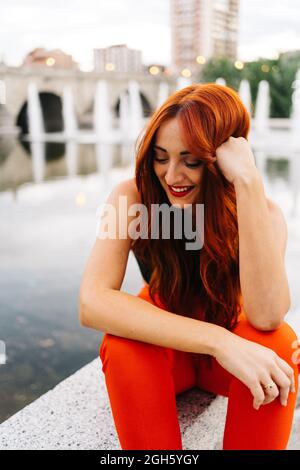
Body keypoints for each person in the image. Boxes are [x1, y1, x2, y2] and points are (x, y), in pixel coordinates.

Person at [79, 83, 299, 450]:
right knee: (122, 347)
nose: (171, 176)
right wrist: (217, 341)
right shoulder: (133, 197)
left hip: (230, 364)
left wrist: (247, 182)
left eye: (191, 160)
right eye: (161, 157)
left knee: (278, 345)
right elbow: (93, 301)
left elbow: (266, 316)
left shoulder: (264, 212)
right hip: (167, 351)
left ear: (223, 158)